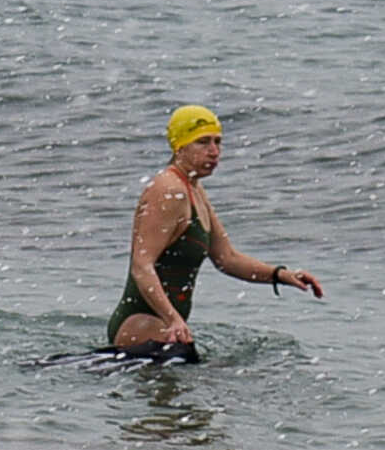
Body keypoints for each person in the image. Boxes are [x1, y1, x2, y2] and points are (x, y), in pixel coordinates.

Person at [106, 106, 324, 351]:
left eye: (218, 142)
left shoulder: (194, 189)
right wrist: (172, 319)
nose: (214, 151)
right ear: (180, 146)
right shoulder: (168, 191)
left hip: (166, 327)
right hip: (142, 325)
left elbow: (226, 258)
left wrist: (281, 275)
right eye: (203, 142)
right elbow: (142, 265)